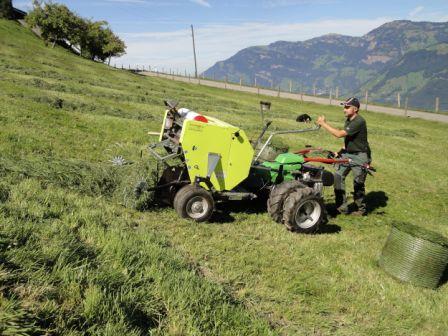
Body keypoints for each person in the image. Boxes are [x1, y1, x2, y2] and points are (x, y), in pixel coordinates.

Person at [316, 97, 371, 216]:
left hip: (360, 155)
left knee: (358, 183)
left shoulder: (359, 121)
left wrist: (323, 123)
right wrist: (339, 152)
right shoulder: (349, 120)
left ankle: (361, 209)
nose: (344, 110)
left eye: (347, 107)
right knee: (338, 176)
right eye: (344, 107)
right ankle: (341, 208)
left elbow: (339, 134)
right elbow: (348, 139)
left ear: (355, 109)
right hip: (348, 153)